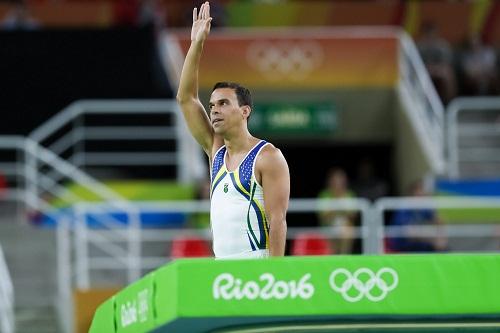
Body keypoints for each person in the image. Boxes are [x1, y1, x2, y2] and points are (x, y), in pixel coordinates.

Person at [176, 2, 289, 259]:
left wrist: (277, 277)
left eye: (224, 103)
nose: (214, 110)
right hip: (224, 272)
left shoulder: (268, 156)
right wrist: (197, 44)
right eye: (212, 105)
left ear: (245, 111)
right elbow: (185, 99)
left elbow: (278, 220)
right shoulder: (215, 151)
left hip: (257, 267)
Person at [387, 179, 447, 253]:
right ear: (412, 194)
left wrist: (440, 237)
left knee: (445, 250)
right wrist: (433, 240)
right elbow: (408, 232)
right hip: (402, 245)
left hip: (420, 243)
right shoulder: (404, 207)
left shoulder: (424, 207)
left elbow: (438, 221)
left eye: (424, 193)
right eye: (420, 193)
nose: (423, 195)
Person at [317, 168, 357, 254]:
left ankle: (344, 257)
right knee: (332, 234)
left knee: (348, 232)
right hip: (328, 226)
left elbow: (353, 215)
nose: (338, 183)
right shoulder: (324, 195)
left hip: (345, 226)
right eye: (335, 181)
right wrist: (338, 205)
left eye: (340, 181)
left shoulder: (350, 194)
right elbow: (323, 216)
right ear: (330, 182)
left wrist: (337, 208)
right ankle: (332, 258)